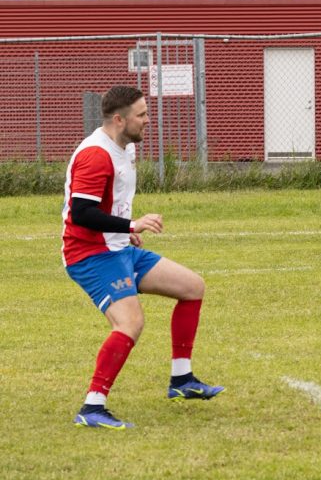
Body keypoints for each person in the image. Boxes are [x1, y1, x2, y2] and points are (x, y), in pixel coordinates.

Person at [63, 85, 223, 430]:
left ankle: (182, 381)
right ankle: (92, 406)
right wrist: (132, 223)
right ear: (120, 120)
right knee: (130, 323)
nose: (149, 120)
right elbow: (81, 213)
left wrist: (125, 230)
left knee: (192, 287)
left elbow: (107, 206)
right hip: (89, 254)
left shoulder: (124, 147)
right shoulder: (96, 155)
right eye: (142, 114)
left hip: (117, 247)